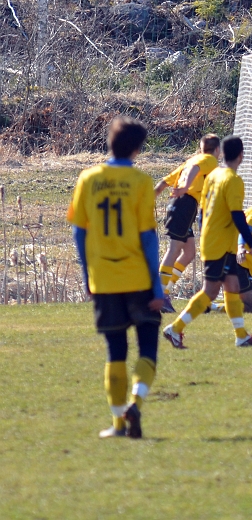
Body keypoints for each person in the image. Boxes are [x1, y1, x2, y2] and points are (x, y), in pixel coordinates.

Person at [68, 117, 165, 439]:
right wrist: (157, 285)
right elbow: (149, 239)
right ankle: (135, 403)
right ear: (138, 149)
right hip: (137, 278)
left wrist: (87, 276)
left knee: (115, 351)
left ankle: (118, 423)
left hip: (104, 280)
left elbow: (79, 234)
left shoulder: (88, 178)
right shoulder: (140, 182)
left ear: (108, 142)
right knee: (148, 346)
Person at [162, 136, 252, 348]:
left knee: (232, 286)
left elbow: (204, 209)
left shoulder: (214, 174)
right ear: (241, 155)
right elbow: (237, 215)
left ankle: (241, 336)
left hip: (217, 240)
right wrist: (251, 243)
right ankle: (174, 329)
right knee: (210, 292)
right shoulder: (233, 180)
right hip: (219, 244)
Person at [154, 134, 221, 313]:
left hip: (181, 205)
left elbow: (164, 182)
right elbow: (196, 169)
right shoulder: (208, 160)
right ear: (217, 150)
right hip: (185, 204)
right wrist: (185, 188)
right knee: (174, 248)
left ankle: (165, 291)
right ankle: (160, 295)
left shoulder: (190, 160)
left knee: (189, 252)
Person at [213, 185, 252, 313]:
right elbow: (246, 229)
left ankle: (210, 306)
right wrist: (241, 248)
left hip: (239, 262)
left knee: (247, 307)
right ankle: (209, 306)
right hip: (240, 263)